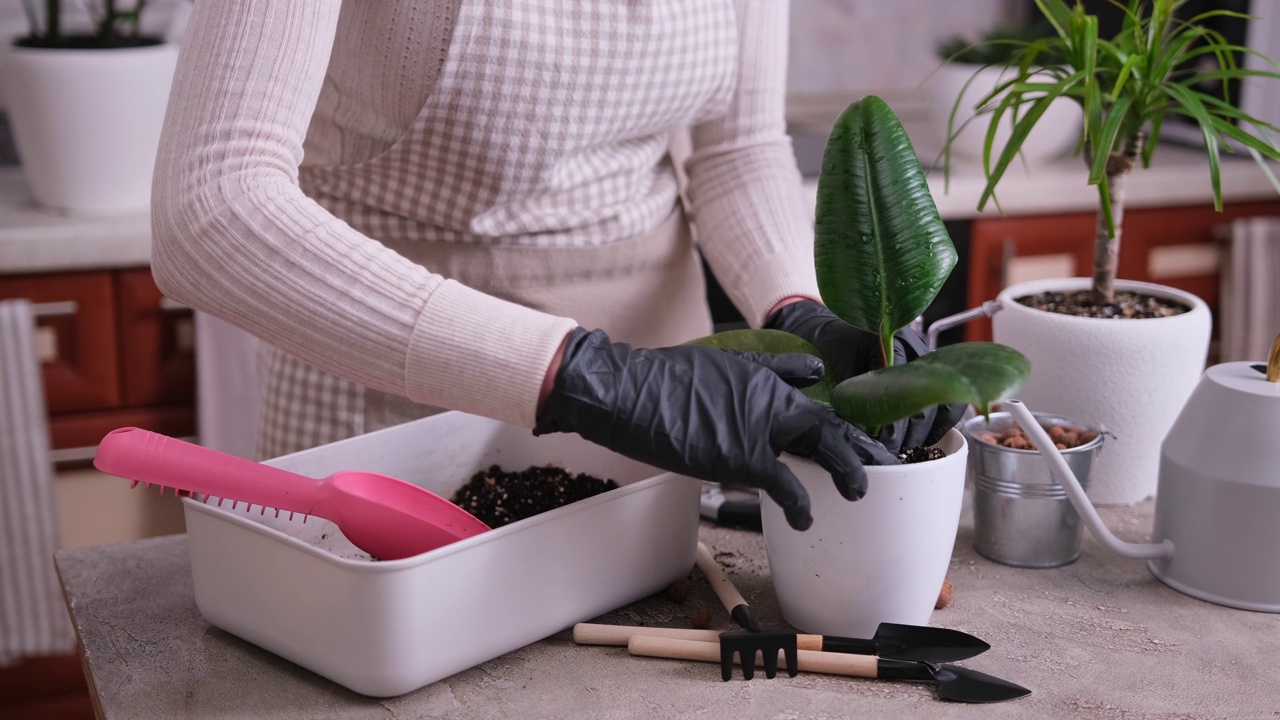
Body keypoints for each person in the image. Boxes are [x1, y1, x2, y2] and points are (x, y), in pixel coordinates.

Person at [150, 0, 963, 532]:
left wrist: (802, 312)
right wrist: (588, 373)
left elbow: (736, 150)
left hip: (662, 403)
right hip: (387, 388)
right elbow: (210, 206)